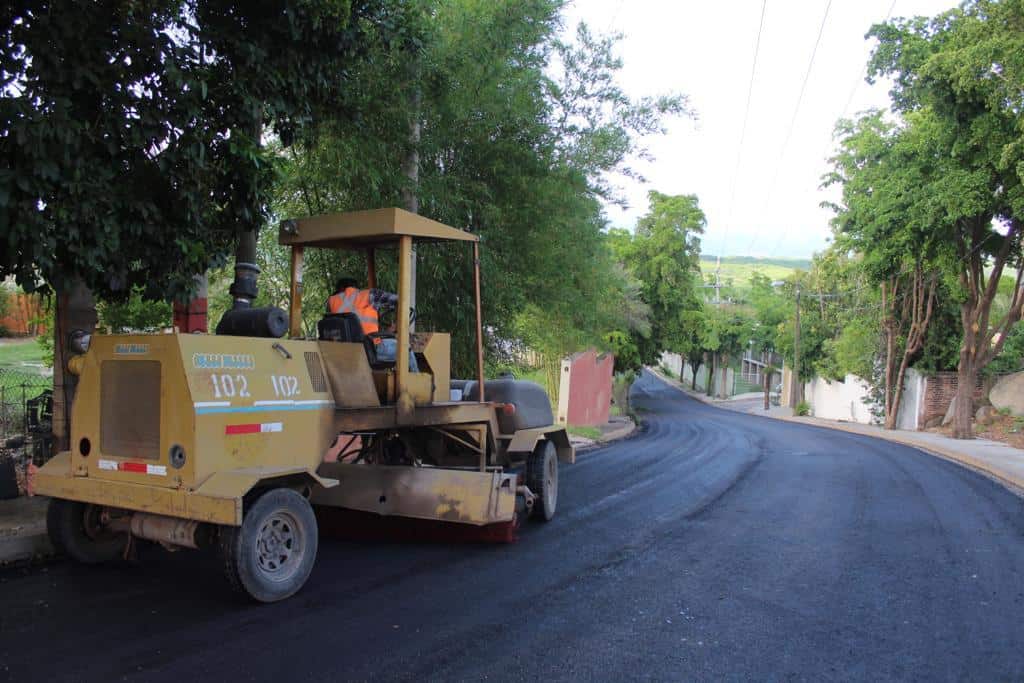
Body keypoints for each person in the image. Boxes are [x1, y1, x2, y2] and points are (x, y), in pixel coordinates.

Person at [327, 277, 417, 371]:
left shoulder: (331, 302)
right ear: (356, 288)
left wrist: (386, 331)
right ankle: (417, 383)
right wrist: (397, 325)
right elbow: (400, 300)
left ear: (340, 288)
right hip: (370, 350)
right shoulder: (369, 295)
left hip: (342, 353)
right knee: (405, 350)